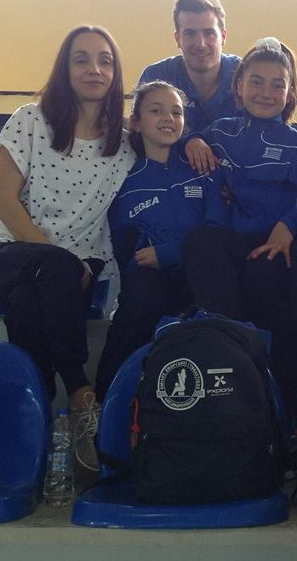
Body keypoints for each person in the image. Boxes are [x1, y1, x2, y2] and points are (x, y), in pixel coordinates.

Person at [0, 26, 135, 471]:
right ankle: (81, 392)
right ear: (65, 68)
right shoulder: (30, 119)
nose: (94, 69)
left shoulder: (125, 142)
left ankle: (38, 420)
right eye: (81, 59)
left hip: (73, 272)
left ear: (115, 73)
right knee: (50, 273)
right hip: (6, 255)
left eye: (104, 60)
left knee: (28, 306)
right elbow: (3, 201)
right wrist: (54, 259)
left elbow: (171, 134)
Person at [182, 37, 297, 431]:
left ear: (289, 94)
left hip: (279, 244)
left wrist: (290, 225)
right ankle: (231, 345)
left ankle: (292, 401)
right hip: (237, 238)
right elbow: (183, 137)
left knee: (266, 277)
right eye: (256, 82)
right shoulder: (220, 132)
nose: (266, 92)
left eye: (277, 84)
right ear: (238, 86)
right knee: (200, 243)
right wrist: (193, 140)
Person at [94, 81, 229, 402]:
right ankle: (104, 402)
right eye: (156, 110)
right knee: (140, 299)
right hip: (150, 280)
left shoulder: (204, 168)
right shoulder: (124, 182)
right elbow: (122, 246)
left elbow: (217, 231)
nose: (168, 118)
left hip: (200, 275)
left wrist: (169, 253)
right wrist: (140, 262)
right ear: (136, 123)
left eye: (176, 112)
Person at [138, 0, 241, 134]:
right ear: (178, 39)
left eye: (209, 33)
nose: (200, 44)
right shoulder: (155, 77)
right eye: (190, 34)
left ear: (223, 37)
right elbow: (140, 134)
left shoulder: (245, 75)